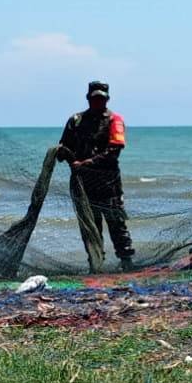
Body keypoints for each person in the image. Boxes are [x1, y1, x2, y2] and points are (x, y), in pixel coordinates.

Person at [58, 81, 136, 271]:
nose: (98, 102)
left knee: (117, 224)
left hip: (109, 183)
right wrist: (65, 156)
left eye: (101, 98)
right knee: (90, 226)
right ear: (88, 98)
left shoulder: (114, 120)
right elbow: (64, 147)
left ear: (107, 99)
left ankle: (126, 263)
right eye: (95, 98)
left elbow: (114, 151)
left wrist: (86, 163)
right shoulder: (75, 121)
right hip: (83, 184)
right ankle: (95, 264)